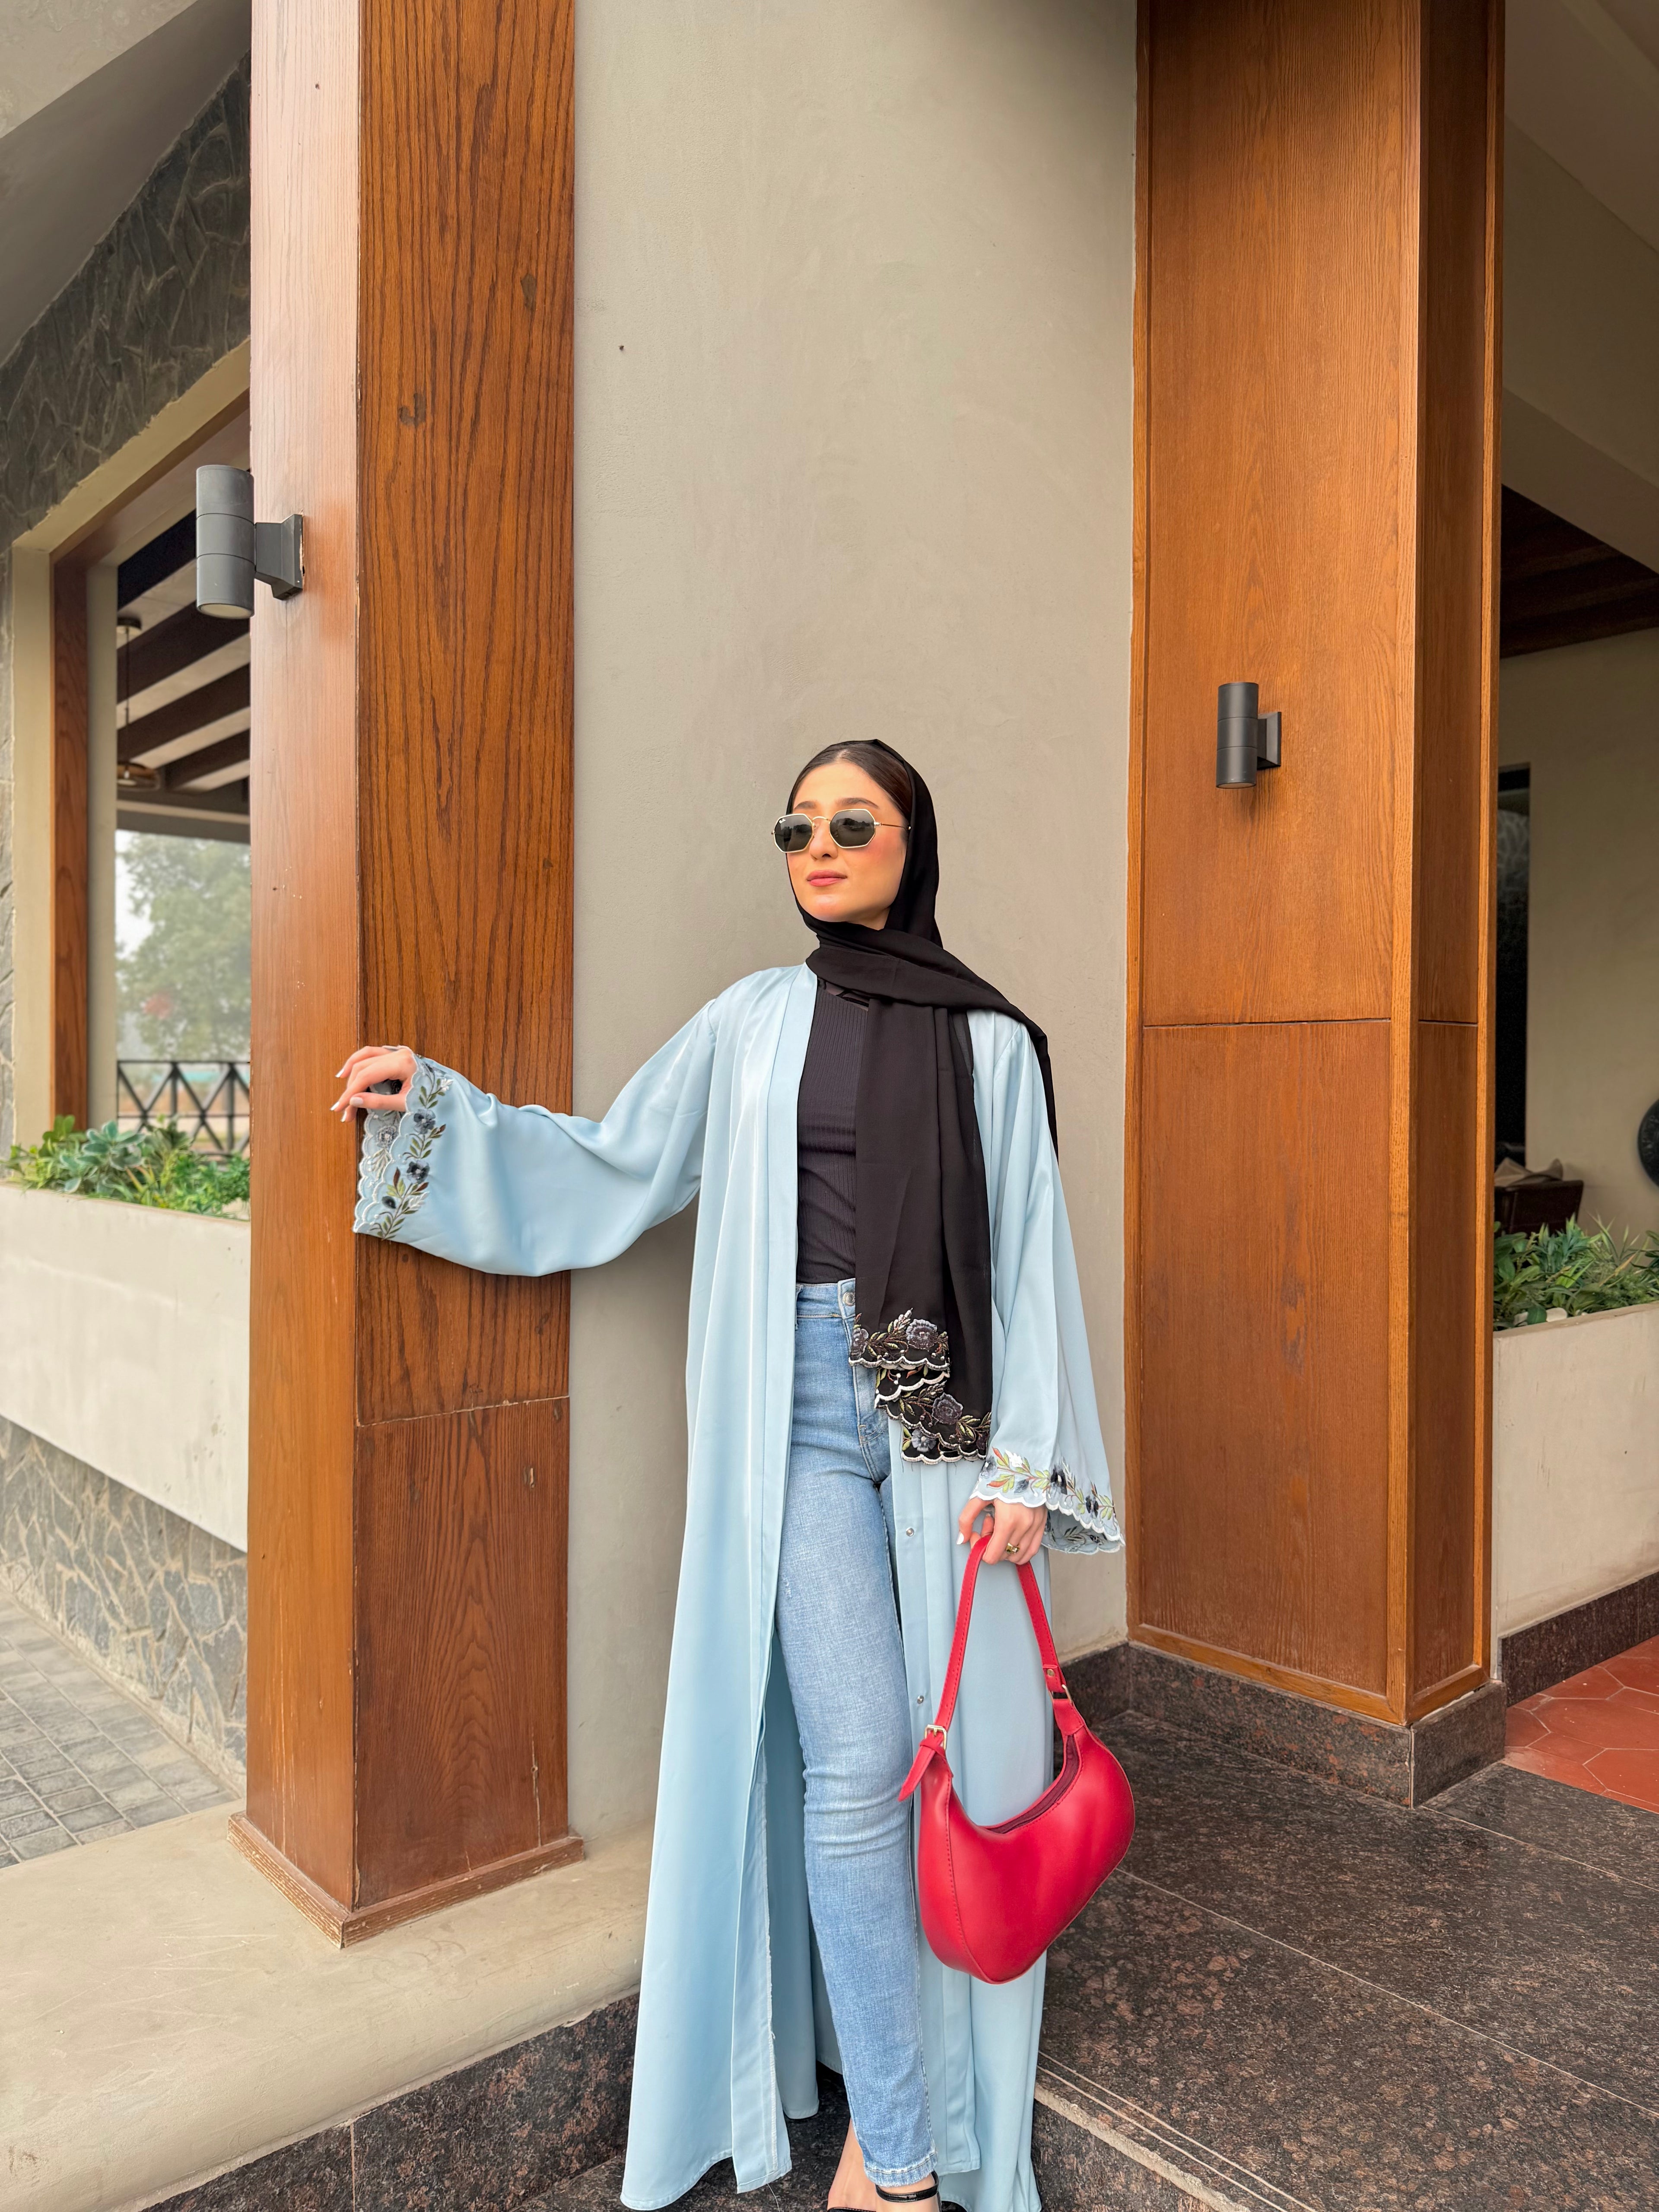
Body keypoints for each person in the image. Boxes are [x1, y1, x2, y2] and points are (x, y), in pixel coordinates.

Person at [330, 741, 1120, 2212]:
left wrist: (1032, 1466)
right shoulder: (755, 1021)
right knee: (857, 1764)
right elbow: (619, 1160)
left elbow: (1028, 1253)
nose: (818, 846)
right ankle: (899, 2156)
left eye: (851, 824)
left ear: (911, 846)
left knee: (968, 1758)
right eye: (797, 827)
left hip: (936, 1403)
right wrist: (434, 1109)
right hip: (804, 1400)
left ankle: (931, 2111)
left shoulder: (991, 1041)